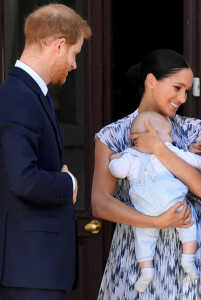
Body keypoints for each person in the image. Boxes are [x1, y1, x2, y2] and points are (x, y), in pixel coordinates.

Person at [92, 49, 201, 299]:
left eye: (186, 90)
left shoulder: (194, 129)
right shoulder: (112, 135)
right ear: (150, 81)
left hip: (187, 250)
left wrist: (159, 148)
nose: (182, 97)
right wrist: (157, 223)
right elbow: (100, 204)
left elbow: (200, 188)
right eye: (177, 87)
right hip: (136, 252)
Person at [0, 4, 91, 300]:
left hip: (33, 265)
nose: (74, 64)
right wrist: (69, 184)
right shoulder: (19, 96)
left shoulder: (30, 93)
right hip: (27, 266)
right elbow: (23, 178)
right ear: (59, 45)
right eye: (74, 53)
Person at [109, 111, 201, 292]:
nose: (173, 140)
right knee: (188, 224)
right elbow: (193, 160)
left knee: (143, 240)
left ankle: (146, 272)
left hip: (145, 210)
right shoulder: (170, 151)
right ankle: (188, 259)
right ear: (155, 133)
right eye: (169, 134)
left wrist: (114, 159)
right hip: (173, 203)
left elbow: (118, 171)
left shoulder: (129, 156)